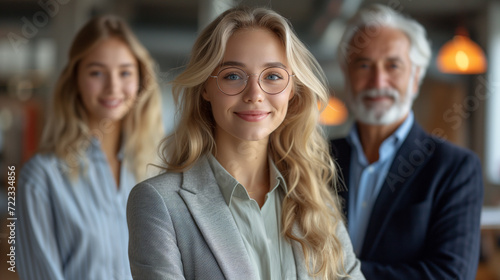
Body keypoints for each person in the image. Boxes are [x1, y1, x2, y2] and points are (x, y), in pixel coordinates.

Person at [127, 6, 364, 280]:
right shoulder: (159, 202)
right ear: (205, 86)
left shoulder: (316, 199)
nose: (255, 94)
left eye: (273, 76)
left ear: (292, 90)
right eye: (232, 76)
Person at [330, 4, 484, 280]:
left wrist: (335, 274)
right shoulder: (316, 158)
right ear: (346, 73)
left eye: (393, 65)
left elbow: (450, 275)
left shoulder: (455, 168)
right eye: (363, 64)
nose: (378, 80)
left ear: (415, 77)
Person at [17, 15, 164, 280]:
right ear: (75, 80)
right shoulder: (41, 177)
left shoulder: (155, 169)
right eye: (96, 72)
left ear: (141, 79)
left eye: (125, 72)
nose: (113, 87)